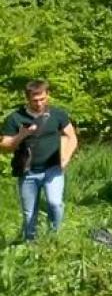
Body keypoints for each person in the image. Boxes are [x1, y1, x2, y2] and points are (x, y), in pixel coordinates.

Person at [1, 79, 78, 241]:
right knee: (29, 213)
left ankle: (53, 237)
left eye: (42, 99)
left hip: (53, 169)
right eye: (35, 100)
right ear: (27, 98)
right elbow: (5, 146)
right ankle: (30, 244)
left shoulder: (58, 114)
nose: (39, 103)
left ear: (47, 95)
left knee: (55, 203)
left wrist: (66, 158)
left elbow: (71, 136)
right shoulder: (15, 118)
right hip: (28, 172)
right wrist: (21, 135)